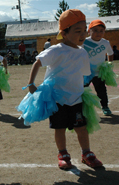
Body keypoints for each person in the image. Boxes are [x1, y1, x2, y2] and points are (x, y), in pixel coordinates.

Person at [25, 9, 102, 169]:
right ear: (64, 33)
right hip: (57, 99)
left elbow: (85, 74)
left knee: (81, 128)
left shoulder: (82, 53)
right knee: (59, 129)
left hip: (76, 98)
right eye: (77, 31)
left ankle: (86, 153)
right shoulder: (56, 50)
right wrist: (31, 83)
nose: (82, 35)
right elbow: (38, 62)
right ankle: (63, 154)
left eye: (84, 31)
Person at [83, 20, 114, 116]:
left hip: (99, 72)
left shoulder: (105, 42)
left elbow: (110, 53)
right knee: (83, 91)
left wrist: (109, 64)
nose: (99, 33)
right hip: (85, 73)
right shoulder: (84, 42)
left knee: (102, 92)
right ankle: (83, 110)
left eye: (101, 31)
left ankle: (105, 107)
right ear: (89, 31)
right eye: (95, 30)